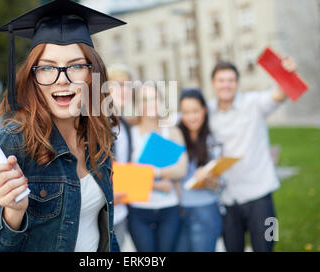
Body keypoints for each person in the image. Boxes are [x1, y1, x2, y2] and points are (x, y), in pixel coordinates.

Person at [0, 0, 126, 252]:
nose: (61, 80)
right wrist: (12, 213)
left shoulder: (97, 136)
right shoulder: (12, 143)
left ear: (92, 74)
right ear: (33, 75)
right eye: (47, 68)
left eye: (76, 66)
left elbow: (103, 229)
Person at [208, 57, 297, 252]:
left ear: (237, 83)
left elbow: (279, 95)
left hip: (261, 195)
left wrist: (287, 74)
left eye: (230, 80)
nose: (226, 85)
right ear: (213, 84)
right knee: (232, 248)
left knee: (267, 245)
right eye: (221, 80)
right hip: (228, 199)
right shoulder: (209, 112)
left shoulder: (254, 102)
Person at [127, 83, 188, 252]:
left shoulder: (172, 132)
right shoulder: (129, 134)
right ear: (137, 104)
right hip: (139, 211)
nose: (150, 103)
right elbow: (122, 175)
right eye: (144, 99)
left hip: (169, 208)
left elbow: (181, 169)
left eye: (154, 98)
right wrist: (157, 182)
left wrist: (149, 173)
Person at [176, 88, 223, 252]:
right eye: (186, 112)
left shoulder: (213, 141)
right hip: (177, 211)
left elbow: (220, 185)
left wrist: (208, 180)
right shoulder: (175, 136)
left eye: (196, 111)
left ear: (204, 110)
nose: (191, 117)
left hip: (204, 211)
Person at [106, 63, 134, 248]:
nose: (123, 91)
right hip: (103, 215)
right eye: (116, 85)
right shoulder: (97, 125)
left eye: (127, 86)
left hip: (122, 214)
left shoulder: (126, 126)